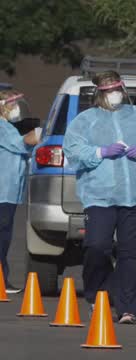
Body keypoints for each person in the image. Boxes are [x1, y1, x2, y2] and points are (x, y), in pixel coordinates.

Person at [63, 71, 136, 324]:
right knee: (96, 246)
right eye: (109, 90)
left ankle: (129, 308)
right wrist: (100, 152)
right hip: (99, 196)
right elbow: (73, 151)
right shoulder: (85, 121)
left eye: (117, 89)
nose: (114, 94)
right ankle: (97, 295)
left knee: (133, 253)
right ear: (100, 93)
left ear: (123, 89)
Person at [0, 90, 39, 293]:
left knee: (5, 235)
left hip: (9, 191)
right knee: (2, 235)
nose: (16, 109)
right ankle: (2, 280)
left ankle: (3, 279)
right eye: (12, 105)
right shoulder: (2, 127)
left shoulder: (9, 128)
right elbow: (23, 144)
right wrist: (41, 133)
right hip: (3, 191)